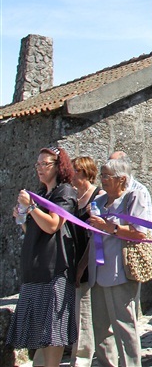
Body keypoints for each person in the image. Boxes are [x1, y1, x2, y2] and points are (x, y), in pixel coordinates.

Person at [7, 147, 78, 367]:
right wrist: (22, 216)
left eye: (45, 164)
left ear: (58, 166)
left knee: (53, 333)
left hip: (54, 271)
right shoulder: (41, 194)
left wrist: (31, 208)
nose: (39, 168)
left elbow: (53, 225)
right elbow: (34, 231)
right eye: (38, 164)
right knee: (38, 335)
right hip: (35, 269)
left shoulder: (64, 192)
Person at [86, 157, 152, 367]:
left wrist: (110, 227)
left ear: (122, 179)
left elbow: (140, 233)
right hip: (97, 271)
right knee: (101, 327)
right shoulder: (98, 201)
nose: (103, 179)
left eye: (107, 176)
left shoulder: (133, 197)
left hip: (120, 271)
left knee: (124, 326)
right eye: (102, 175)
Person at [70, 156, 103, 367]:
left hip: (90, 261)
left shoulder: (97, 196)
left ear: (84, 173)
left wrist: (82, 266)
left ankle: (81, 360)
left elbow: (96, 235)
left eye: (74, 170)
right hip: (74, 261)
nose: (70, 174)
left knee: (84, 313)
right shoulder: (73, 197)